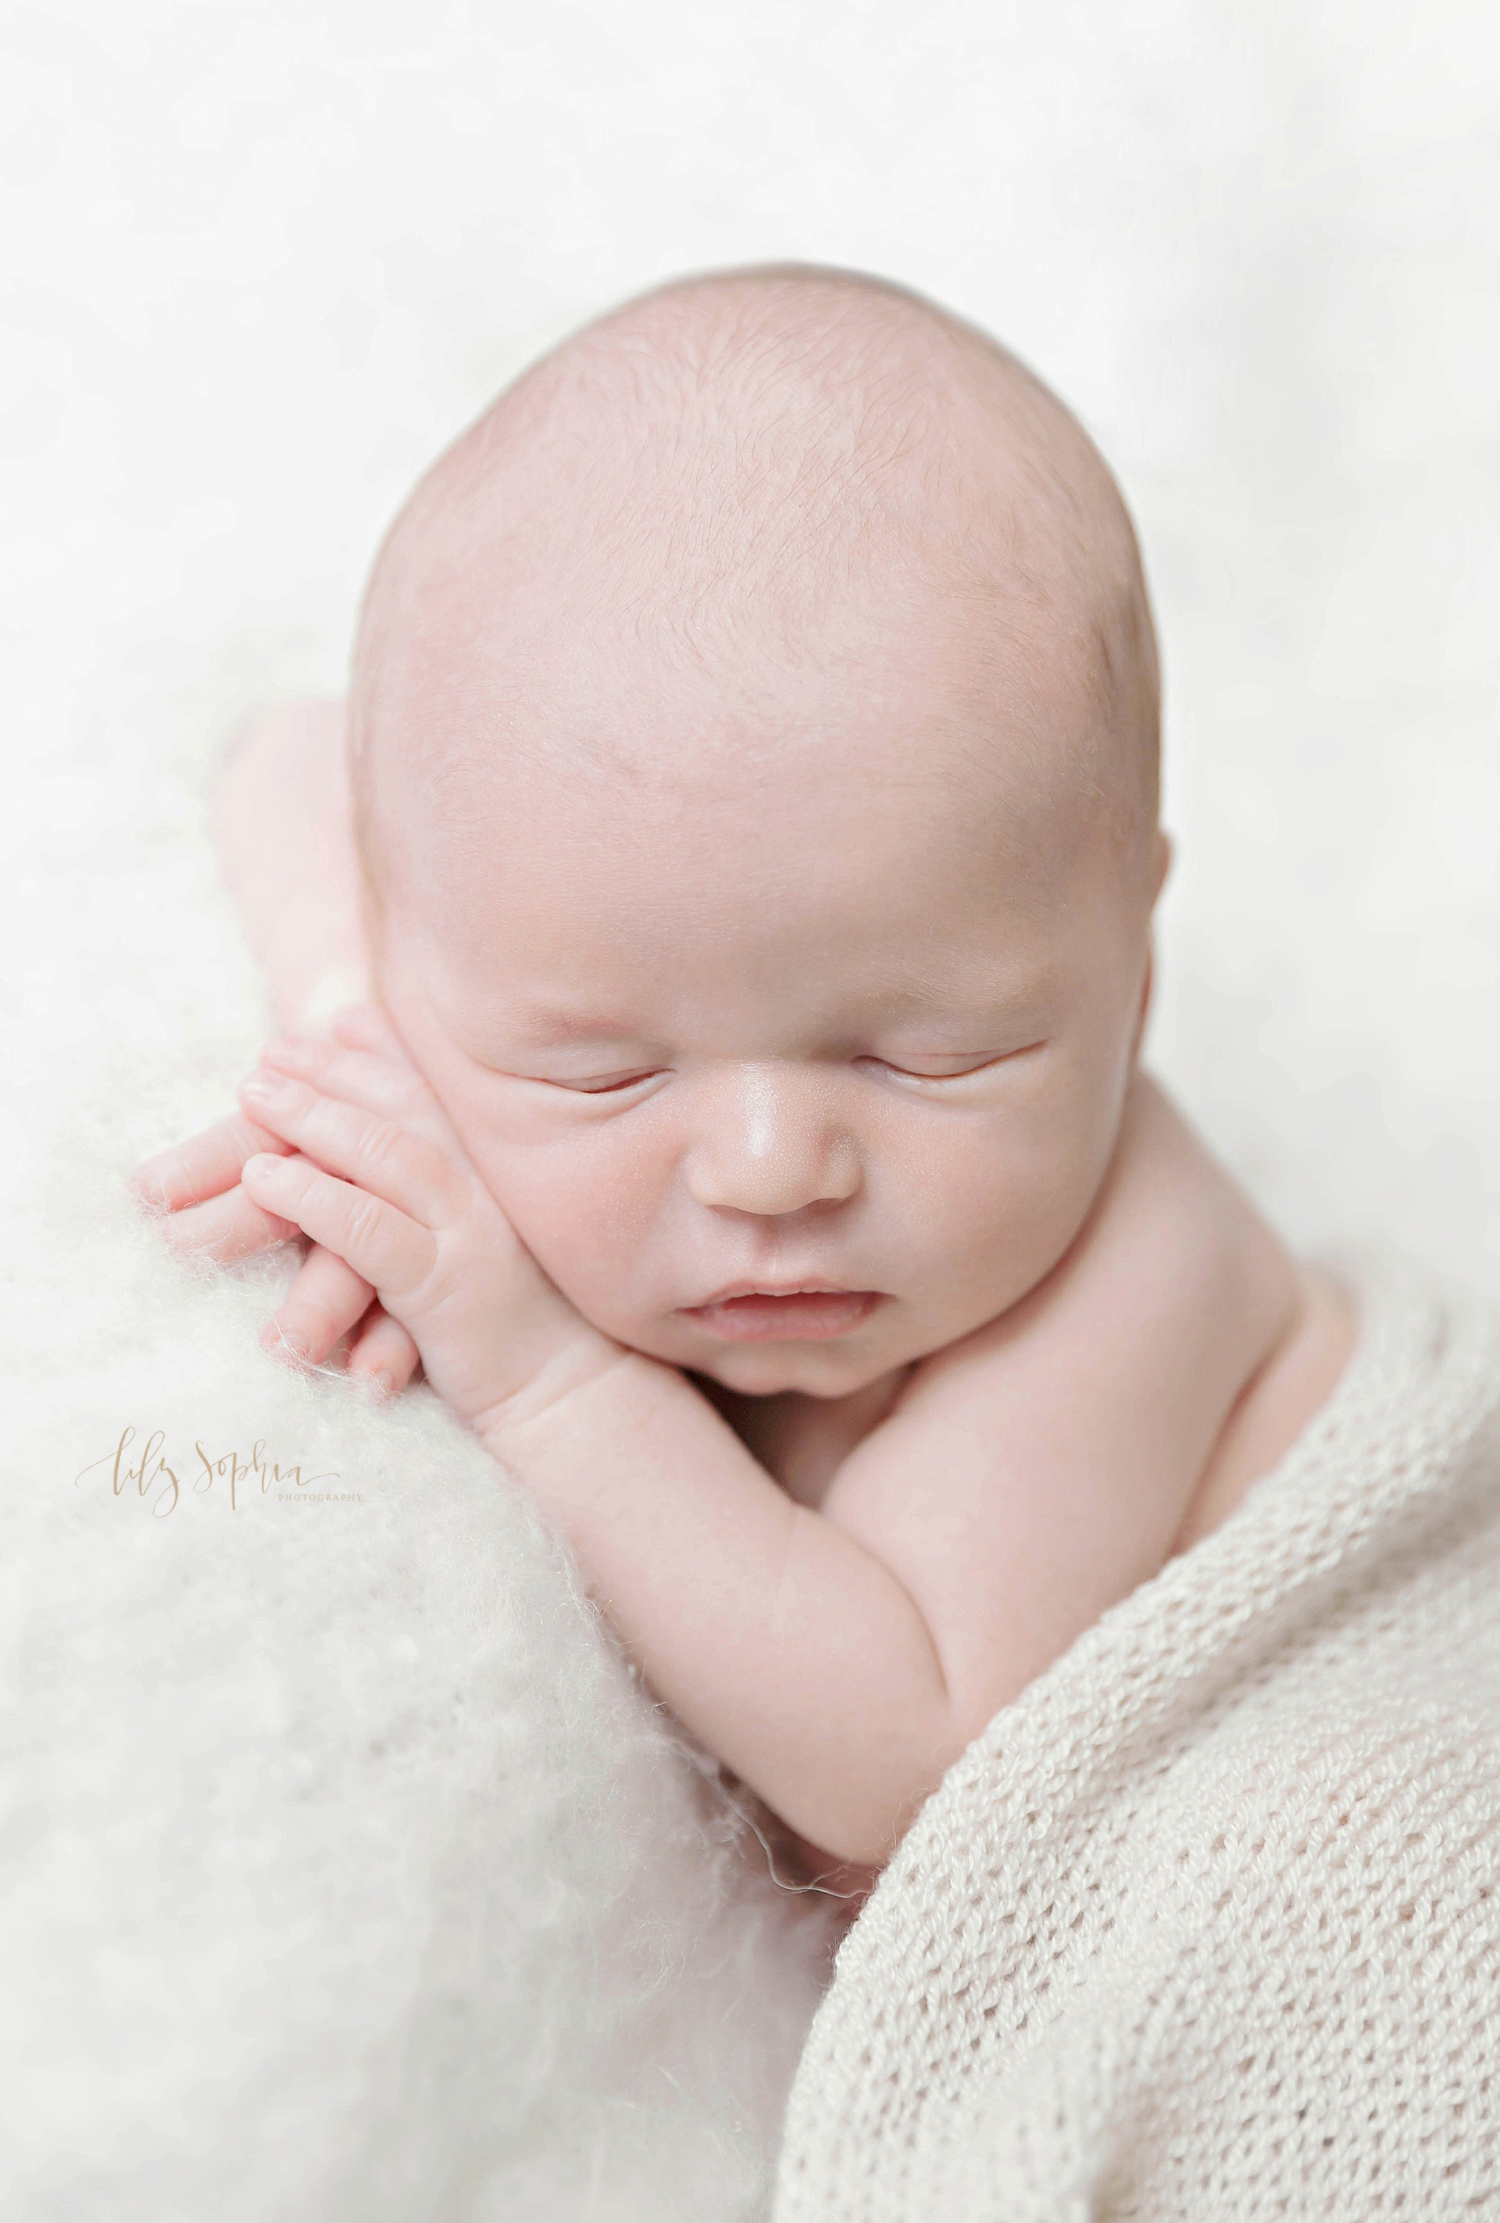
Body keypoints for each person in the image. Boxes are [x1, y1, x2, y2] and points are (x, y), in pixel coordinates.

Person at [133, 264, 1354, 1901]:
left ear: (1133, 964)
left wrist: (548, 1370)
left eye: (930, 1053)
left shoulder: (1142, 1260)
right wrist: (366, 1047)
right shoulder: (474, 919)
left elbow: (899, 1756)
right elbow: (290, 753)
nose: (773, 1167)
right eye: (602, 1066)